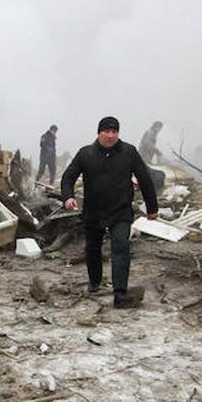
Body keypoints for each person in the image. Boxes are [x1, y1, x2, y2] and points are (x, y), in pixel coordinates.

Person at [60, 116, 159, 308]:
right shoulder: (86, 153)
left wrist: (152, 208)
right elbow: (68, 177)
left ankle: (120, 293)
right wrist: (68, 197)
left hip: (120, 210)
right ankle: (94, 281)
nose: (111, 135)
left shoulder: (128, 152)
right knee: (92, 248)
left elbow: (144, 178)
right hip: (93, 210)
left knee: (121, 246)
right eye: (107, 131)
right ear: (99, 133)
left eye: (114, 132)